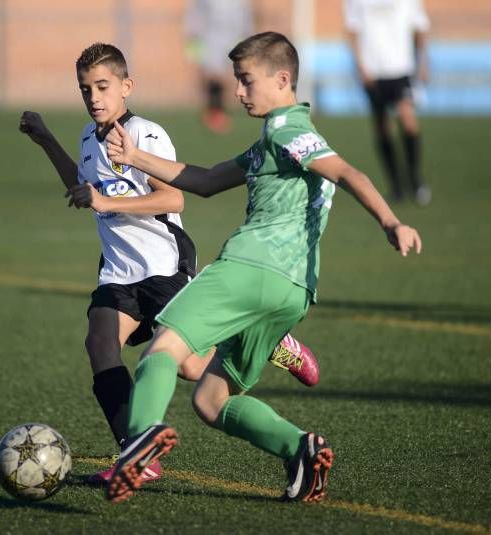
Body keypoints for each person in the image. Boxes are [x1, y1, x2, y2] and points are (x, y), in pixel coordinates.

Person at [103, 31, 422, 504]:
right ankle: (300, 448)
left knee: (162, 351)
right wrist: (135, 156)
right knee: (212, 401)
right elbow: (208, 180)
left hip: (249, 268)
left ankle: (139, 441)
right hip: (293, 293)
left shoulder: (286, 131)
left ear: (282, 79)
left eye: (246, 81)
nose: (237, 91)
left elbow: (348, 173)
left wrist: (391, 221)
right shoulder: (275, 143)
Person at [18, 42, 317, 485]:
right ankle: (138, 455)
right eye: (86, 89)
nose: (94, 97)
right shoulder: (87, 137)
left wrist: (105, 201)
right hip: (119, 272)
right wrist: (46, 141)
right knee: (100, 345)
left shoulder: (146, 133)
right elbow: (83, 186)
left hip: (163, 265)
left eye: (103, 86)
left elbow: (173, 197)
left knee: (193, 368)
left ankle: (270, 340)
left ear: (127, 87)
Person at [344, 0, 432, 206]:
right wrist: (360, 66)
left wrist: (424, 61)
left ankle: (415, 178)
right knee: (382, 127)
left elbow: (420, 27)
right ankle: (396, 185)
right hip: (373, 72)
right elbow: (352, 31)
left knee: (408, 119)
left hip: (402, 69)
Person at [185, 0, 253, 134]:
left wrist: (246, 35)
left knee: (225, 75)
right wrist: (192, 34)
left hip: (231, 37)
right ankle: (214, 111)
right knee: (212, 75)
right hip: (210, 38)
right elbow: (195, 13)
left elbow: (245, 15)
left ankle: (218, 110)